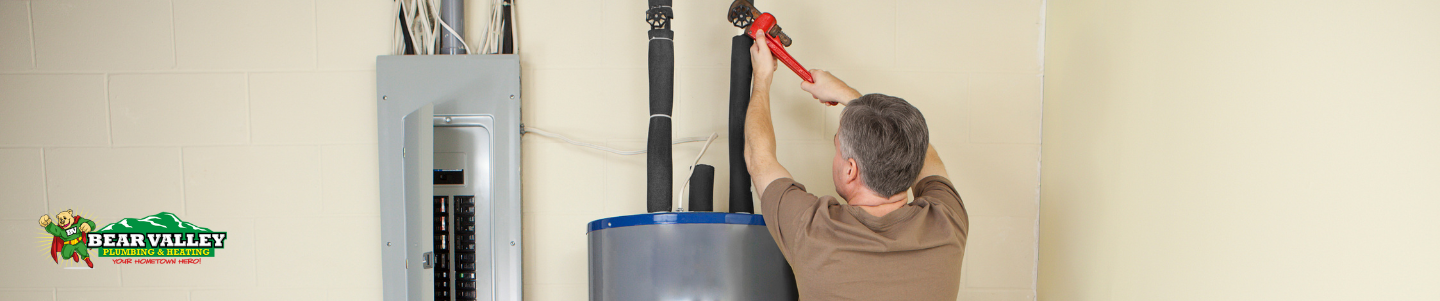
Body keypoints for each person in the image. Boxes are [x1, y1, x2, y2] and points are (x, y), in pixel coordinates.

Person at [744, 36, 969, 300]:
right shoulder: (948, 223)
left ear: (851, 170)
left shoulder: (812, 230)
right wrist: (848, 95)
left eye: (836, 146)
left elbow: (759, 159)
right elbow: (924, 155)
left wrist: (761, 78)